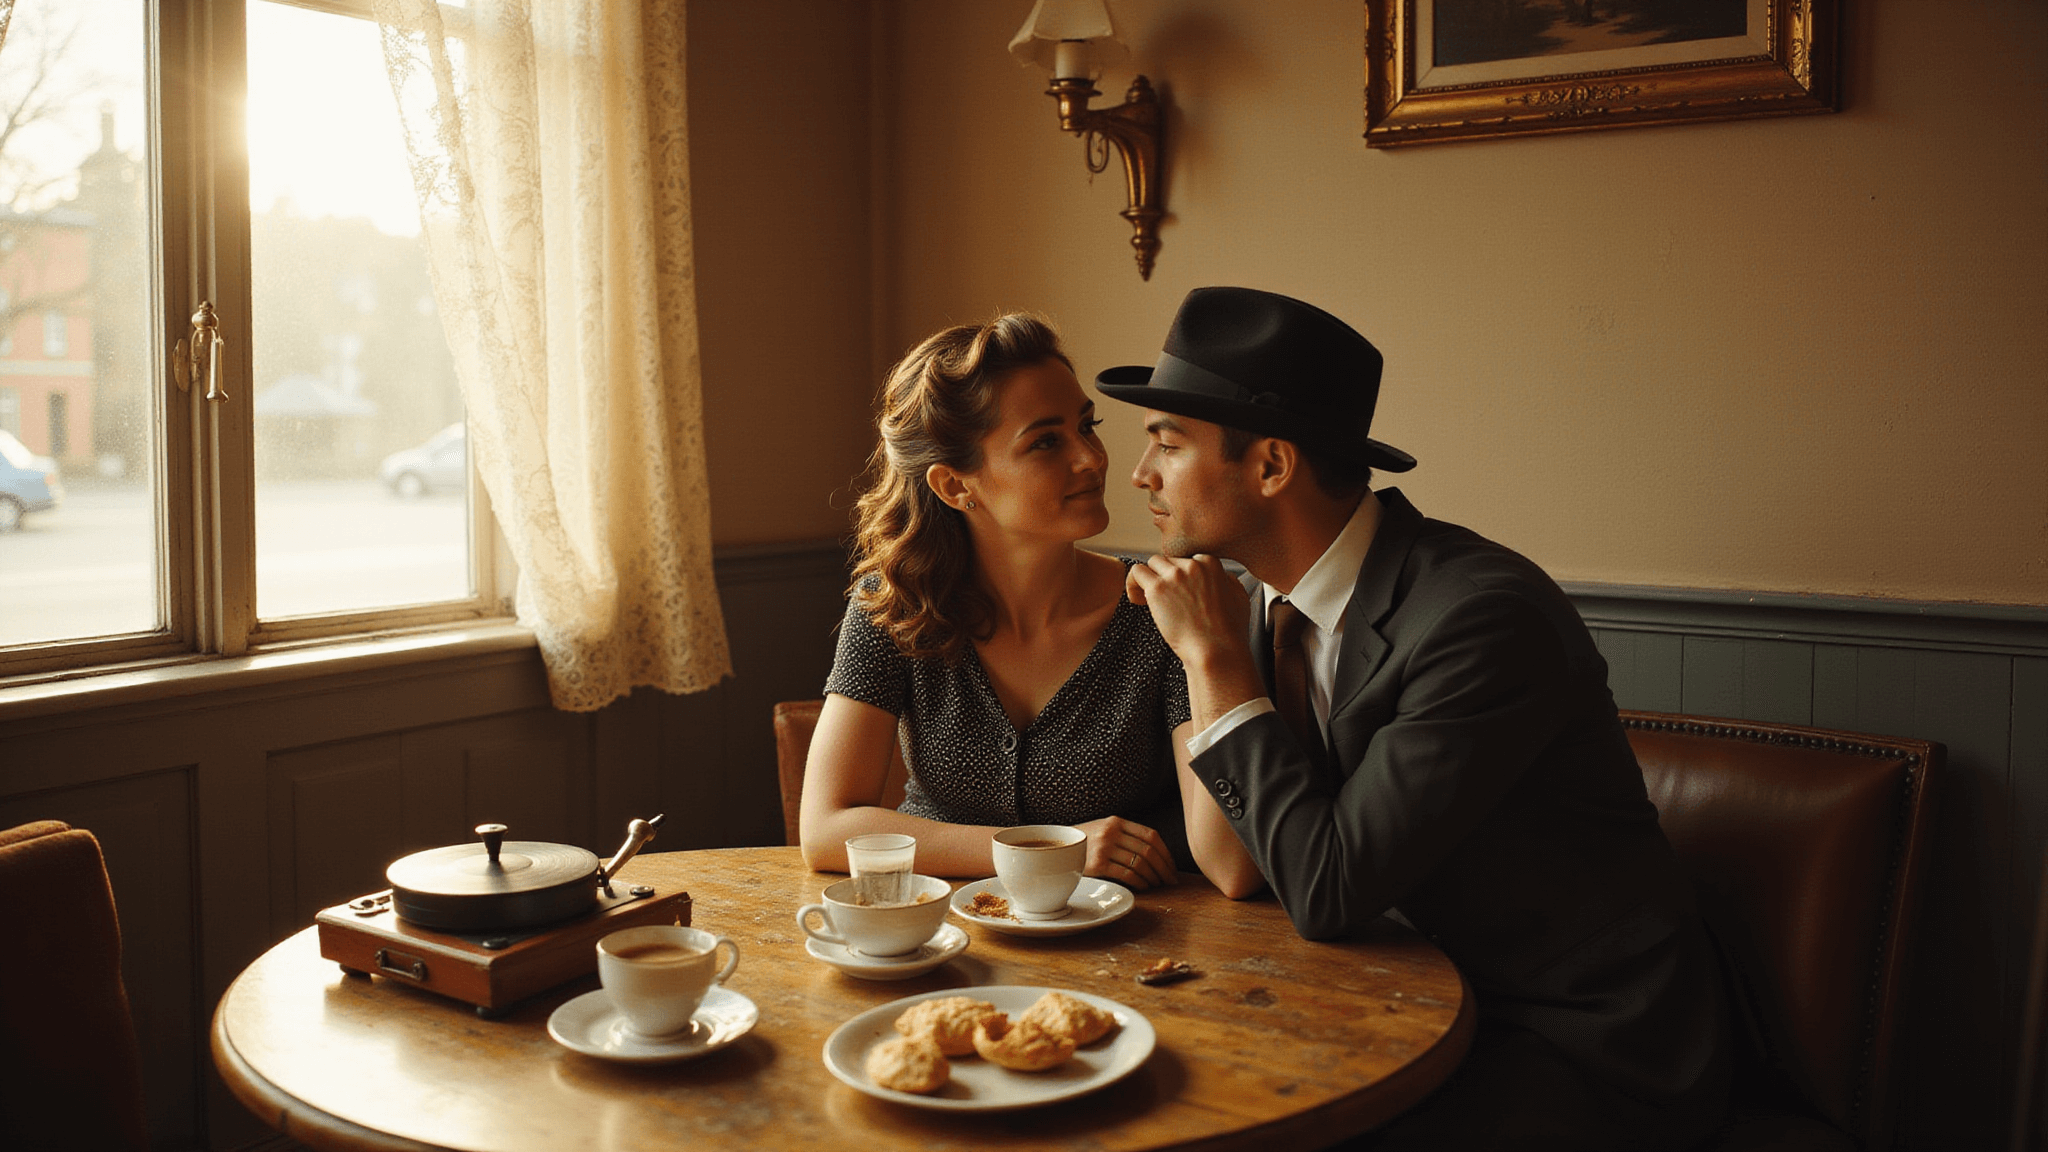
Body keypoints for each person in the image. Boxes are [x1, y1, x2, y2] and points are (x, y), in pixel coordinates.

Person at [1104, 287, 1731, 1149]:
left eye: (1168, 446)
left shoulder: (1482, 617)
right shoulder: (1251, 605)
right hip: (1382, 996)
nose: (1140, 476)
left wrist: (1212, 663)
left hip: (1569, 1039)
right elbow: (1251, 868)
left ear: (1272, 466)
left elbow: (1325, 891)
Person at [799, 313, 1261, 898]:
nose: (1092, 458)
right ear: (954, 486)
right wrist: (1049, 848)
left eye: (1086, 427)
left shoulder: (1160, 610)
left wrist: (1209, 651)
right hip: (943, 938)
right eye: (1046, 441)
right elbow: (825, 829)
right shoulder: (894, 607)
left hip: (1133, 948)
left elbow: (1235, 865)